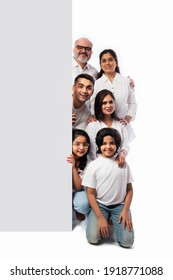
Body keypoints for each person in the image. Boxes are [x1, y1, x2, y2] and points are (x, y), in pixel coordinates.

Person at [82, 128, 134, 247]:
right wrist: (100, 217)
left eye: (112, 143)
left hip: (119, 206)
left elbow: (129, 189)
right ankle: (99, 218)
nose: (108, 146)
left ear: (117, 145)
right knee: (93, 239)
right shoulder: (94, 166)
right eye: (104, 143)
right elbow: (90, 193)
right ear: (99, 145)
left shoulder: (123, 164)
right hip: (101, 205)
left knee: (127, 242)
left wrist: (125, 211)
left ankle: (114, 220)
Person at [86, 89, 135, 167]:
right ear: (99, 105)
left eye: (111, 102)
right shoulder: (93, 125)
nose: (108, 105)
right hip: (99, 168)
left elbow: (125, 146)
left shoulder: (121, 125)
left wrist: (122, 154)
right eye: (104, 103)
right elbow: (91, 153)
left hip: (118, 166)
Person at [89, 49, 137, 125]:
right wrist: (94, 117)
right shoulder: (96, 84)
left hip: (122, 126)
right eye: (104, 61)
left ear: (116, 62)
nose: (107, 63)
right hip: (102, 126)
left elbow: (132, 104)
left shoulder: (127, 81)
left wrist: (127, 119)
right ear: (100, 64)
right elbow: (92, 105)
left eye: (110, 60)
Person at [67, 129, 91, 221]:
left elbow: (78, 187)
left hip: (78, 191)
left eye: (85, 144)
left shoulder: (88, 162)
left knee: (84, 204)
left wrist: (73, 168)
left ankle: (77, 207)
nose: (81, 148)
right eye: (77, 144)